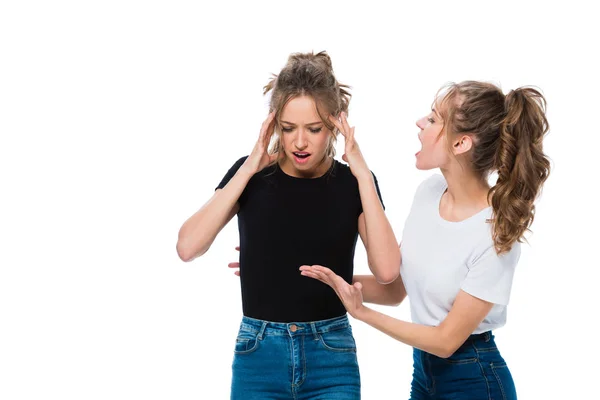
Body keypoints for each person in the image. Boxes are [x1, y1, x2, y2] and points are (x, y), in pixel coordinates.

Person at [298, 81, 551, 399]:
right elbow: (395, 289)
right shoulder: (429, 193)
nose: (421, 123)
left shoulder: (494, 232)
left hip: (474, 380)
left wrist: (362, 312)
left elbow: (446, 341)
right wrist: (315, 276)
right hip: (425, 375)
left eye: (433, 119)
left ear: (461, 144)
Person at [176, 51, 400, 400]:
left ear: (335, 124)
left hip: (332, 354)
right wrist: (248, 167)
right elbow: (188, 247)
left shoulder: (354, 183)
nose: (299, 142)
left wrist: (363, 175)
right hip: (259, 353)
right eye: (287, 128)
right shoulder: (251, 175)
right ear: (273, 123)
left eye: (314, 129)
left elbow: (387, 272)